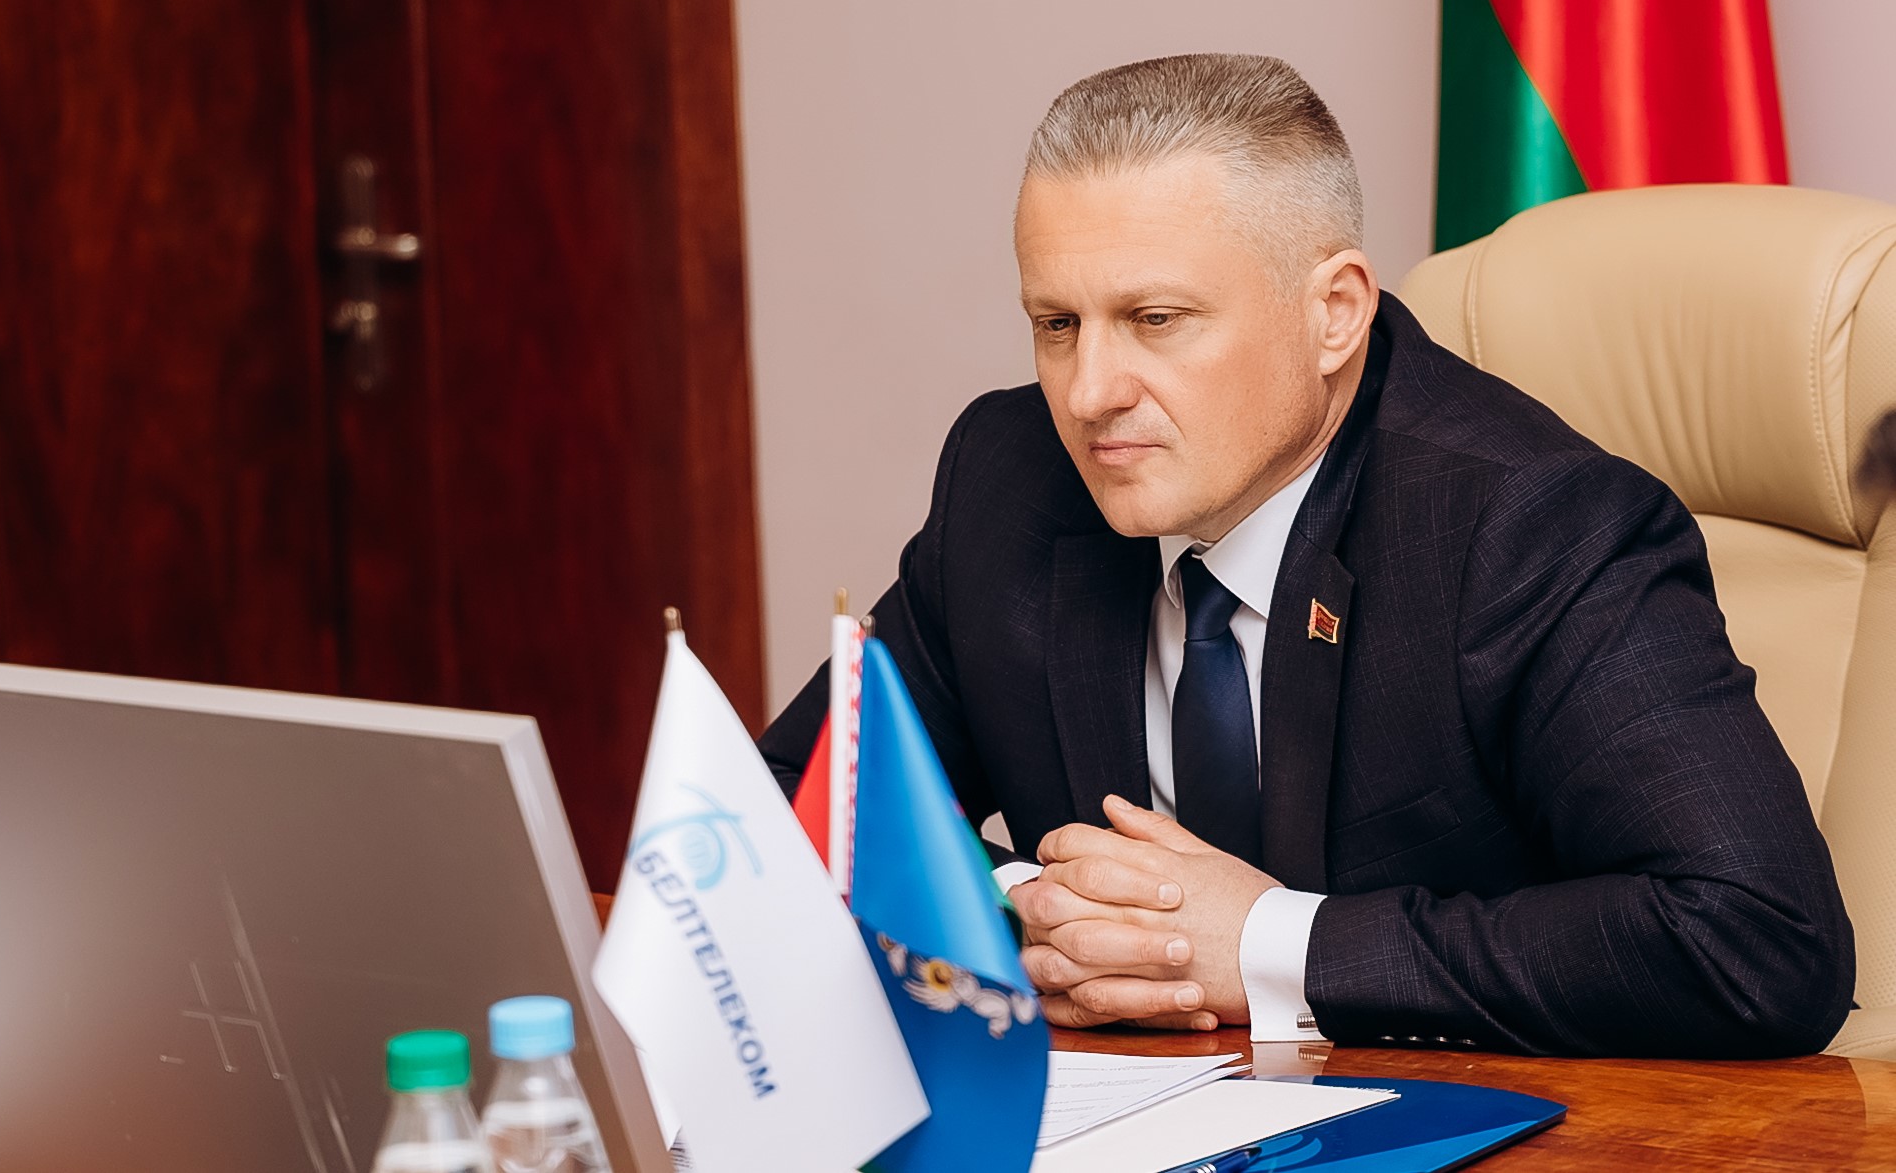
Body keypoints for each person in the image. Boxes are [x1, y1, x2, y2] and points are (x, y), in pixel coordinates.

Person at [758, 53, 1854, 1058]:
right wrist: (1036, 910)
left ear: (1334, 313)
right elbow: (790, 811)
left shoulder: (1527, 525)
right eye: (1056, 324)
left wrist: (1265, 946)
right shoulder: (1012, 481)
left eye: (1154, 318)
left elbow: (1758, 939)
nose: (1088, 393)